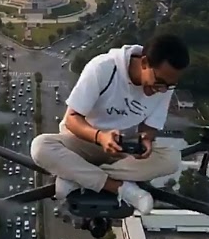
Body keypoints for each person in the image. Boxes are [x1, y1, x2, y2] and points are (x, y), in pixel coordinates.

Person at [31, 34, 189, 213]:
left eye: (169, 85)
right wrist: (100, 137)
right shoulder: (103, 68)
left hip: (122, 151)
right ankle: (120, 188)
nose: (161, 90)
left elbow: (150, 126)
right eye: (159, 82)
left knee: (172, 159)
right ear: (144, 62)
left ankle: (77, 176)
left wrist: (145, 139)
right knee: (40, 147)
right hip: (83, 143)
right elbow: (72, 119)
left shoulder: (165, 87)